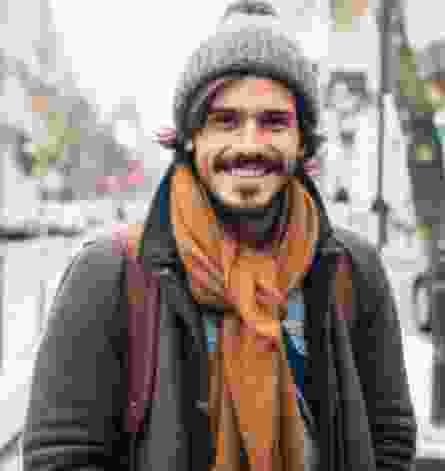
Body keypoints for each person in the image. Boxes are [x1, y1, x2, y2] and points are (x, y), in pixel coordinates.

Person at [22, 1, 417, 470]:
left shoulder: (352, 269)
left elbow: (389, 440)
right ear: (191, 137)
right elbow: (61, 458)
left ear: (303, 141)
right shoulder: (111, 275)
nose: (249, 144)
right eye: (225, 120)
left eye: (274, 122)